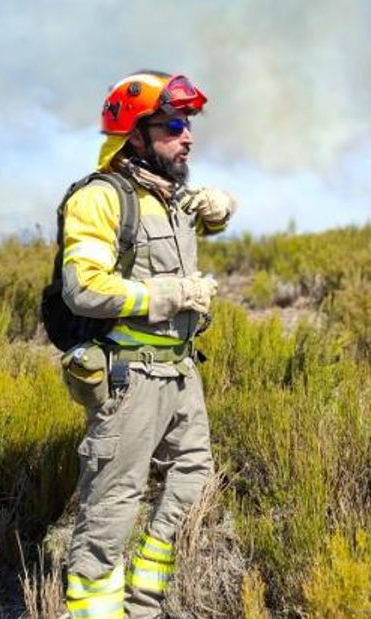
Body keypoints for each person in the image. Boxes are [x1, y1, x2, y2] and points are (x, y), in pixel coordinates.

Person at [59, 70, 235, 619]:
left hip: (181, 373)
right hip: (128, 377)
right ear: (134, 135)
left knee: (193, 476)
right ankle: (94, 611)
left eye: (189, 126)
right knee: (113, 504)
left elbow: (205, 222)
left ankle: (142, 604)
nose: (188, 137)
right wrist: (172, 294)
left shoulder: (169, 195)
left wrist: (220, 208)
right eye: (174, 126)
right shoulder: (102, 198)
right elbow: (83, 288)